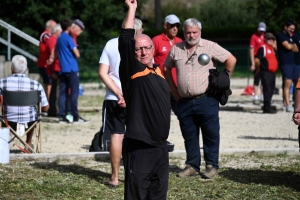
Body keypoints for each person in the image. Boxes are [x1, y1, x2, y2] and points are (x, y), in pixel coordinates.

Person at [164, 18, 236, 179]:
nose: (191, 35)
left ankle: (211, 165)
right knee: (189, 134)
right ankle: (192, 165)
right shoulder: (176, 49)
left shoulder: (210, 46)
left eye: (194, 32)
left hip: (207, 98)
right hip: (183, 100)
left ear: (200, 32)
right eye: (188, 32)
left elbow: (231, 59)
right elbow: (166, 68)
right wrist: (174, 91)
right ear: (184, 33)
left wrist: (224, 77)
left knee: (210, 133)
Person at [119, 0, 171, 199]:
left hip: (160, 147)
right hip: (140, 146)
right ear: (133, 53)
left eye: (147, 48)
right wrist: (132, 9)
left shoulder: (158, 72)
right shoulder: (132, 71)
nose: (143, 52)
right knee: (137, 193)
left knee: (158, 194)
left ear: (152, 48)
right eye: (138, 49)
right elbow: (125, 39)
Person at [98, 18, 143, 187]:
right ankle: (135, 175)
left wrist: (118, 93)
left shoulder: (110, 44)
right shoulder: (142, 46)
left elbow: (103, 73)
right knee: (138, 135)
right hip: (136, 97)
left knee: (116, 135)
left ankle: (115, 177)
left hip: (113, 98)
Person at [0, 55, 49, 150]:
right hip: (30, 121)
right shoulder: (36, 85)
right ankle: (28, 143)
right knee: (34, 113)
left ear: (12, 68)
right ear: (26, 69)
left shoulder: (2, 83)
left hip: (7, 121)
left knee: (2, 115)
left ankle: (3, 147)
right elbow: (45, 107)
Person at [55, 19, 86, 123]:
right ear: (68, 27)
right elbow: (77, 54)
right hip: (72, 68)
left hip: (63, 68)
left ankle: (62, 115)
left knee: (62, 93)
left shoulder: (59, 38)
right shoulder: (69, 38)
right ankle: (75, 116)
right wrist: (76, 50)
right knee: (74, 92)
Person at [152, 14, 182, 116]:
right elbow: (149, 60)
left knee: (183, 115)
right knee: (162, 116)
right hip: (161, 86)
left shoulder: (180, 42)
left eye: (177, 26)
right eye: (172, 25)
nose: (175, 28)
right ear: (165, 26)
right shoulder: (156, 41)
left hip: (177, 86)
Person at [277, 20, 298, 112]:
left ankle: (295, 102)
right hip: (285, 63)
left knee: (296, 82)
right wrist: (292, 46)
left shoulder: (292, 37)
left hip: (294, 62)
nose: (292, 30)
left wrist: (292, 45)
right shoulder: (281, 35)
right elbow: (288, 47)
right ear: (285, 27)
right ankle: (286, 104)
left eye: (293, 29)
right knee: (287, 83)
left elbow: (296, 49)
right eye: (290, 29)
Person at [255, 32, 278, 114]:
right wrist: (260, 67)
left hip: (272, 72)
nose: (271, 40)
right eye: (269, 39)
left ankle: (268, 105)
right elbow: (257, 59)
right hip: (266, 71)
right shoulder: (263, 48)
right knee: (267, 89)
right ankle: (266, 107)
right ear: (265, 39)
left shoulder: (271, 48)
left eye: (272, 39)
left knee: (271, 89)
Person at [37, 19, 56, 100]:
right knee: (49, 84)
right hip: (45, 65)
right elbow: (53, 42)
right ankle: (47, 104)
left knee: (48, 84)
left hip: (45, 64)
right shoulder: (45, 35)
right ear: (48, 28)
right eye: (54, 28)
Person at [46, 24, 62, 117]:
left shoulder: (51, 39)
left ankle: (53, 110)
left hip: (53, 68)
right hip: (54, 69)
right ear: (57, 31)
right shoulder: (53, 40)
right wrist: (53, 72)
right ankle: (54, 110)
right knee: (56, 91)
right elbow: (53, 55)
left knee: (55, 90)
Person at [249, 22, 266, 105]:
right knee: (257, 77)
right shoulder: (254, 36)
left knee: (264, 78)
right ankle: (256, 96)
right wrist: (252, 63)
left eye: (263, 31)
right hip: (257, 59)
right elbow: (251, 50)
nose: (261, 32)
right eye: (260, 30)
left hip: (264, 59)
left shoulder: (266, 36)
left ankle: (263, 95)